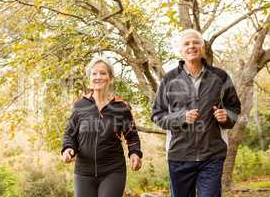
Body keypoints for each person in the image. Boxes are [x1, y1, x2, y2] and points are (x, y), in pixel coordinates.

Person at [151, 29, 241, 197]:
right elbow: (157, 115)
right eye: (186, 43)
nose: (191, 46)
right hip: (179, 156)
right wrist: (181, 117)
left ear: (202, 47)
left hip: (212, 155)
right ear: (180, 51)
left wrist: (226, 116)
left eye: (195, 42)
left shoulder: (220, 77)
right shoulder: (169, 80)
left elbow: (235, 108)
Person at [61, 55, 142, 197]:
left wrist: (134, 153)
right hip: (84, 171)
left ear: (110, 78)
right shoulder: (80, 105)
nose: (98, 77)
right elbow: (70, 134)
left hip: (113, 170)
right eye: (94, 73)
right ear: (89, 78)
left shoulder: (121, 107)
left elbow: (132, 135)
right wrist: (68, 149)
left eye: (103, 73)